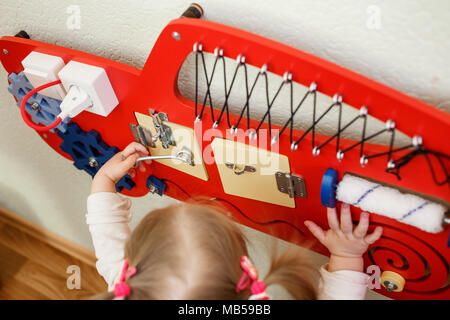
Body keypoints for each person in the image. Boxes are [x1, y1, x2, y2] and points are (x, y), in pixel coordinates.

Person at [87, 142, 383, 299]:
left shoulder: (126, 290)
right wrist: (345, 256)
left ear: (132, 269)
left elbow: (107, 238)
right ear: (246, 273)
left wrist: (103, 180)